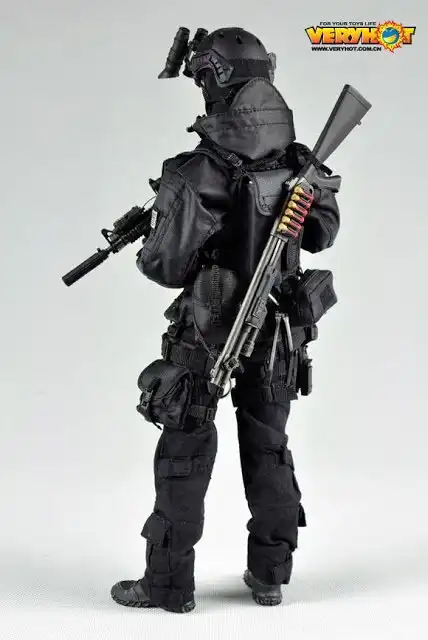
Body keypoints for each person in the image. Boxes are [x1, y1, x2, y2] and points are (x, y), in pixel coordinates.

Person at [110, 27, 340, 613]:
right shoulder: (301, 162)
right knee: (269, 448)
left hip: (207, 332)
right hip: (279, 332)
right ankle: (270, 575)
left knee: (184, 450)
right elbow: (324, 233)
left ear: (215, 82)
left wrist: (160, 230)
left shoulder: (197, 170)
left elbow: (164, 266)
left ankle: (169, 586)